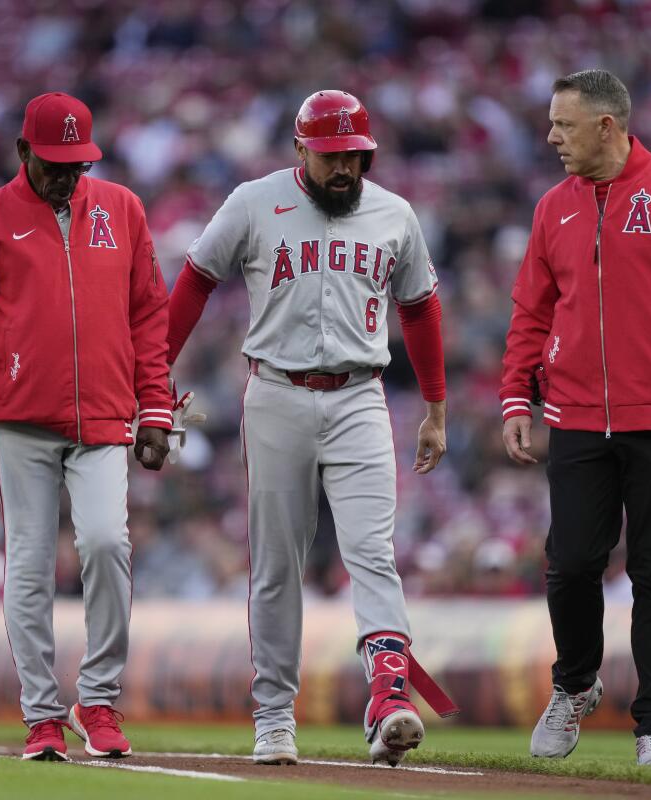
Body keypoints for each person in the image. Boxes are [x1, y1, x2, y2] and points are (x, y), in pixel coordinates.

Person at [167, 89, 458, 767]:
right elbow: (194, 279)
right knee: (275, 565)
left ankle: (388, 695)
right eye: (331, 155)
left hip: (360, 395)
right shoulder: (253, 201)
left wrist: (437, 408)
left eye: (354, 156)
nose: (343, 169)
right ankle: (273, 713)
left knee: (373, 551)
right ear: (301, 149)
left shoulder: (394, 213)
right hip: (276, 393)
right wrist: (152, 372)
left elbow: (420, 308)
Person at [499, 70, 651, 768]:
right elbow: (530, 310)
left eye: (564, 125)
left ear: (607, 126)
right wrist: (517, 397)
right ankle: (575, 684)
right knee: (570, 563)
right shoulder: (553, 208)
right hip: (575, 412)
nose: (551, 137)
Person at [0, 92, 172, 762]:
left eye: (76, 162)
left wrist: (155, 406)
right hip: (19, 419)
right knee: (31, 566)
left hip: (102, 412)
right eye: (53, 162)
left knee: (105, 544)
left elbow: (150, 313)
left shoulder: (121, 208)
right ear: (22, 153)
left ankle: (96, 699)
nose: (66, 174)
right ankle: (41, 714)